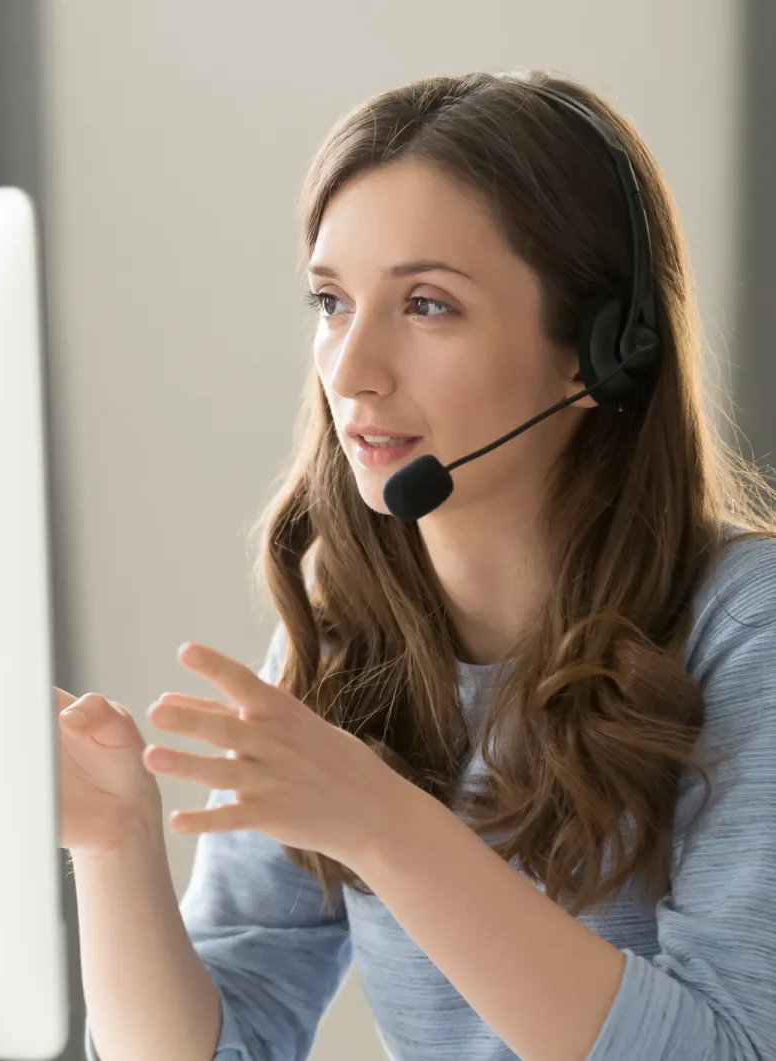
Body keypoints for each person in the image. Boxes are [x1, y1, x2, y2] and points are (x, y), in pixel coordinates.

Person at [56, 69, 776, 1061]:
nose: (351, 370)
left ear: (604, 350)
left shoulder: (748, 633)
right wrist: (113, 845)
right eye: (330, 301)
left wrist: (390, 828)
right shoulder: (346, 640)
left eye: (428, 304)